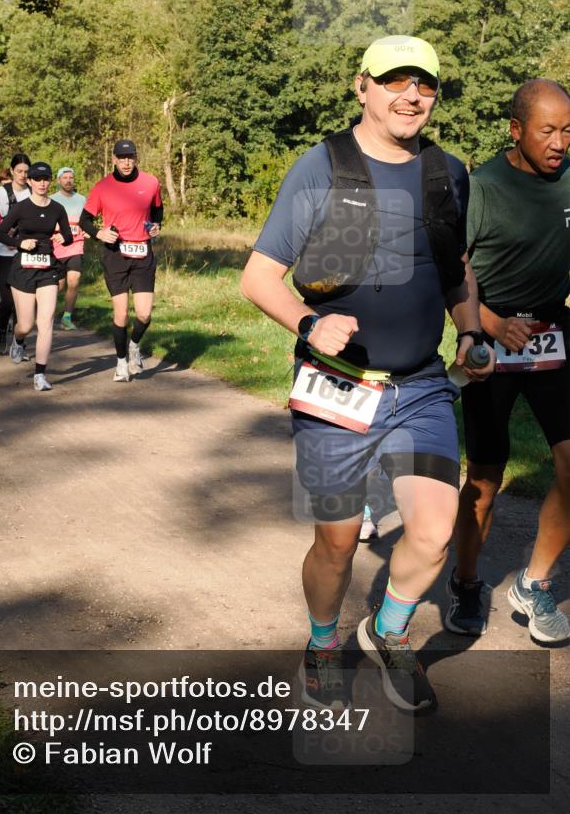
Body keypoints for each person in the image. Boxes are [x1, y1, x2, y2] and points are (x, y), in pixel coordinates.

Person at [241, 35, 493, 712]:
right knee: (338, 541)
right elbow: (259, 277)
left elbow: (455, 268)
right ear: (363, 87)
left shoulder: (446, 172)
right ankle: (323, 642)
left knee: (437, 528)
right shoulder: (321, 169)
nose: (412, 95)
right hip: (336, 390)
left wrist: (469, 329)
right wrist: (308, 324)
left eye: (426, 85)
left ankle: (390, 632)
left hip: (421, 388)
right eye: (395, 81)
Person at [448, 78, 570, 643]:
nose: (559, 142)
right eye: (548, 130)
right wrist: (488, 326)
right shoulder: (482, 187)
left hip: (552, 333)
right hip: (490, 338)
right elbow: (456, 268)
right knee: (486, 477)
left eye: (568, 130)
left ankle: (535, 583)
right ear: (516, 130)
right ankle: (467, 582)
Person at [79, 139, 163, 382]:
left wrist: (157, 225)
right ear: (114, 159)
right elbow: (85, 220)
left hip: (143, 253)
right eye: (121, 158)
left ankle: (134, 346)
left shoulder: (151, 183)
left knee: (145, 314)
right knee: (121, 315)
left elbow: (157, 210)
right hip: (115, 254)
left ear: (136, 158)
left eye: (131, 157)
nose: (126, 162)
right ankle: (121, 362)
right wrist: (99, 233)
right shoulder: (102, 187)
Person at [0, 161, 74, 392]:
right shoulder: (20, 208)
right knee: (26, 324)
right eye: (37, 179)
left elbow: (67, 234)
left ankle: (40, 374)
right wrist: (20, 242)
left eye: (45, 179)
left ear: (50, 181)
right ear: (29, 181)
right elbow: (0, 232)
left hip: (48, 269)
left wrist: (62, 238)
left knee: (46, 321)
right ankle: (18, 340)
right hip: (23, 270)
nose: (42, 183)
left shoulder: (57, 208)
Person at [0, 153, 31, 354]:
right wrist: (1, 229)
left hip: (25, 252)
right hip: (3, 253)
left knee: (24, 301)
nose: (23, 175)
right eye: (19, 171)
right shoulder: (2, 192)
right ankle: (2, 329)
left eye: (26, 172)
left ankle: (19, 343)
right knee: (8, 300)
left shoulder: (32, 191)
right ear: (11, 171)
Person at [51, 166, 86, 331]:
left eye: (71, 177)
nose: (68, 180)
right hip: (56, 248)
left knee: (74, 281)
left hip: (75, 247)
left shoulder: (82, 199)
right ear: (58, 181)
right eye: (64, 178)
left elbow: (86, 221)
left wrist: (86, 229)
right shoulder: (50, 199)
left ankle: (67, 317)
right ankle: (46, 313)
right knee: (58, 285)